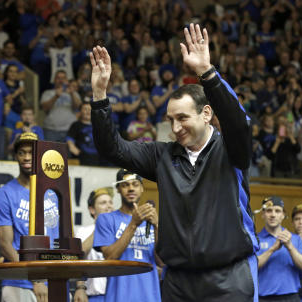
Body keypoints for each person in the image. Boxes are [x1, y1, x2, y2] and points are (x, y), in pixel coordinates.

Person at [89, 23, 259, 301]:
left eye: (183, 118)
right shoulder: (162, 155)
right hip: (178, 281)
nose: (175, 127)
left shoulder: (232, 151)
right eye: (170, 120)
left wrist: (207, 73)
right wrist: (99, 96)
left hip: (229, 278)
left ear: (206, 114)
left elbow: (237, 123)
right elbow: (112, 149)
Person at [0, 132, 60, 302]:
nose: (26, 157)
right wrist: (35, 278)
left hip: (52, 280)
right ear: (16, 156)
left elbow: (57, 239)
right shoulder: (4, 193)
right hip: (18, 282)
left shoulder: (53, 193)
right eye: (22, 152)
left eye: (31, 152)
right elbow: (5, 244)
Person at [93, 169, 160, 302]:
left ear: (142, 188)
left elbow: (162, 262)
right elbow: (110, 257)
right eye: (125, 185)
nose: (130, 189)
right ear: (118, 189)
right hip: (119, 296)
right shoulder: (106, 219)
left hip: (150, 296)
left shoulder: (154, 220)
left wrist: (157, 227)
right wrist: (133, 224)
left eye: (135, 184)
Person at [257, 196, 302, 301]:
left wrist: (290, 246)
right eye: (269, 211)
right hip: (263, 297)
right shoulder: (256, 239)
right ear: (263, 214)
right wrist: (272, 249)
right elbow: (251, 267)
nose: (273, 215)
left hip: (290, 296)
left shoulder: (295, 239)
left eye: (277, 211)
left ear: (283, 215)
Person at [73, 187, 114, 302]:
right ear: (92, 210)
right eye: (103, 203)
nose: (109, 206)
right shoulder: (83, 231)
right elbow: (78, 257)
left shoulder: (120, 230)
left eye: (110, 202)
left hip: (118, 294)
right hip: (94, 296)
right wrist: (101, 227)